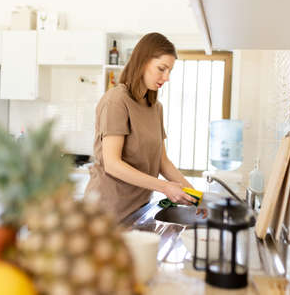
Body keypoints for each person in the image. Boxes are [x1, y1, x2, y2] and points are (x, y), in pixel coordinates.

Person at [85, 32, 205, 223]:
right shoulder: (116, 101)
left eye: (170, 71)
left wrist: (197, 197)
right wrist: (164, 187)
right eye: (161, 69)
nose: (166, 77)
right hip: (107, 212)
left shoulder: (155, 107)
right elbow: (112, 164)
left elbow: (162, 161)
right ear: (143, 62)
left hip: (138, 209)